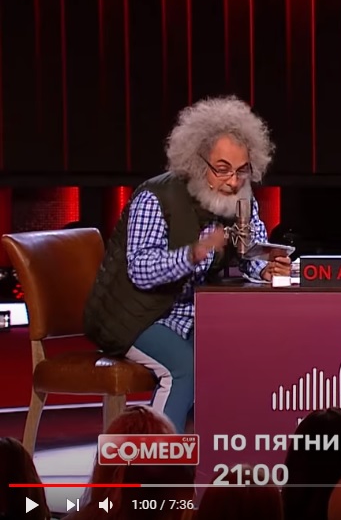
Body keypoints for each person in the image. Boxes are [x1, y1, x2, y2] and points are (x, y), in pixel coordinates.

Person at [82, 96, 291, 434]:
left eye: (242, 170)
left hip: (189, 315)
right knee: (184, 369)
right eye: (222, 169)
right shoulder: (156, 197)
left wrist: (266, 268)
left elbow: (249, 251)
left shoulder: (240, 198)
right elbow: (141, 270)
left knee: (234, 355)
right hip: (135, 316)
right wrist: (192, 253)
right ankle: (158, 464)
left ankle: (219, 455)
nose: (233, 181)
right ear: (196, 162)